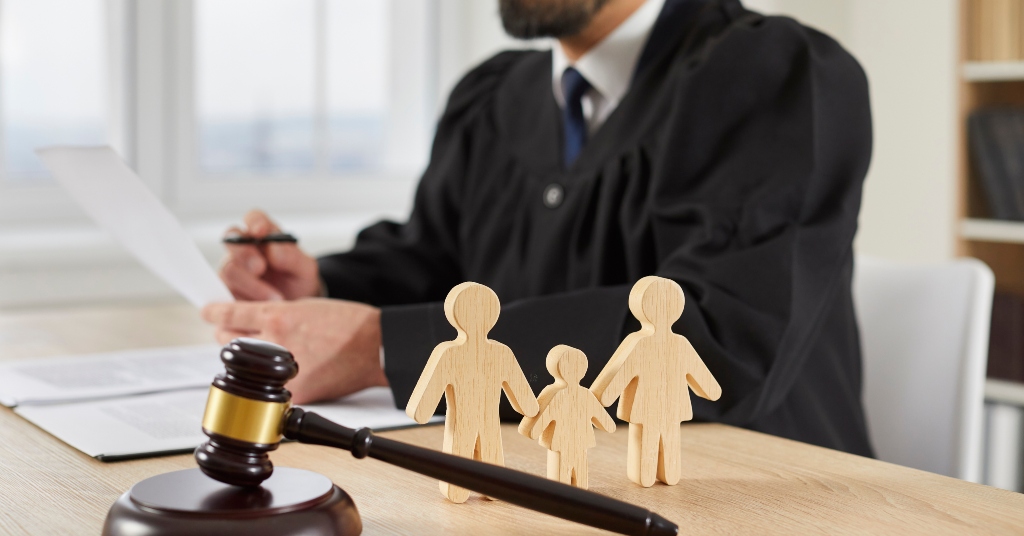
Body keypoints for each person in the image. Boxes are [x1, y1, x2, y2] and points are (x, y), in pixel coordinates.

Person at [203, 0, 875, 456]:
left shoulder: (774, 74)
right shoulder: (493, 95)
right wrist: (318, 282)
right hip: (540, 477)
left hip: (760, 502)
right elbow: (438, 261)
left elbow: (718, 336)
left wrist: (377, 345)